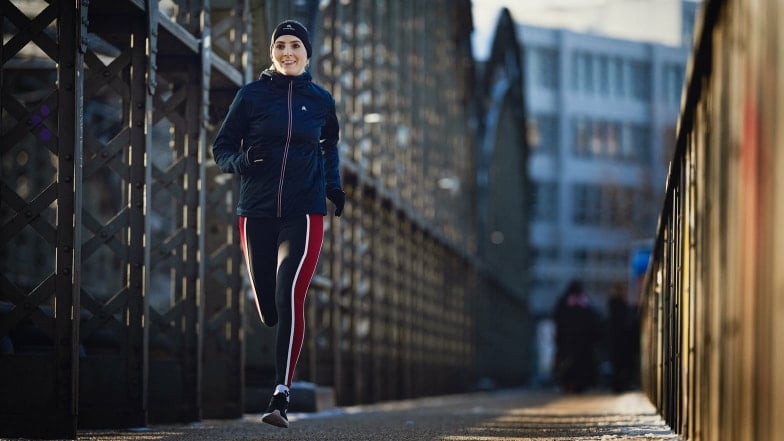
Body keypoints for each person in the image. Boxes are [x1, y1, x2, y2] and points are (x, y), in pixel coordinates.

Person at [211, 19, 345, 429]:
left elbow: (329, 150)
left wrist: (333, 187)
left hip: (304, 212)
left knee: (290, 294)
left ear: (308, 53)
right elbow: (222, 148)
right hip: (256, 210)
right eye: (281, 45)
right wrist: (241, 163)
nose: (288, 51)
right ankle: (270, 315)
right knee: (269, 307)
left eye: (295, 46)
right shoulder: (251, 97)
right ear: (273, 51)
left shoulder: (321, 101)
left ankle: (280, 394)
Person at [553, 279, 601, 393]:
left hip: (568, 343)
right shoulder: (585, 303)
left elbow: (558, 321)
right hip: (583, 344)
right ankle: (579, 385)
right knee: (581, 367)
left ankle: (569, 385)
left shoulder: (563, 302)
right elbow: (593, 323)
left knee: (568, 366)